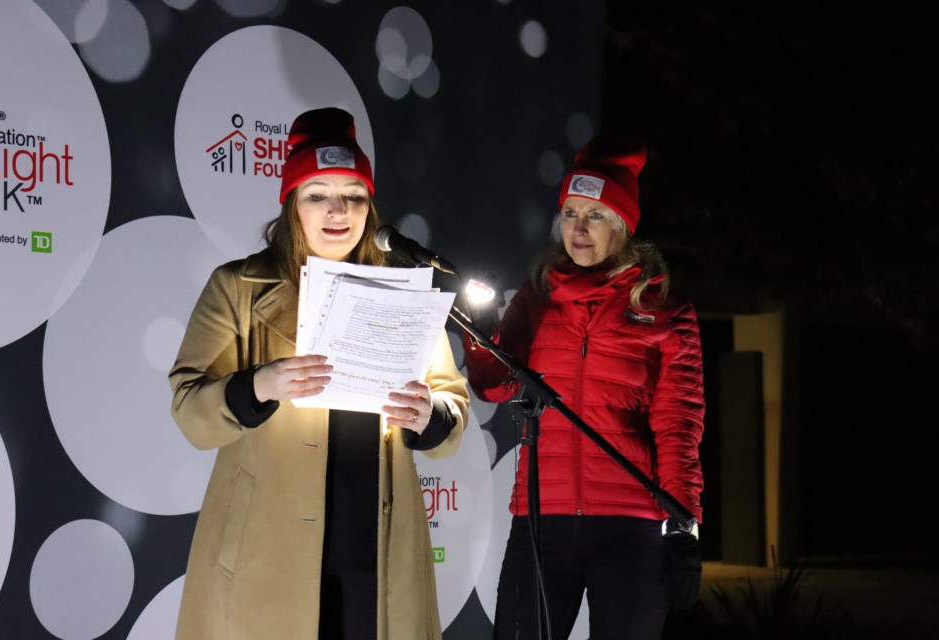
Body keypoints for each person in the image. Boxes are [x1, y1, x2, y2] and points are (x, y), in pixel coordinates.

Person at [168, 107, 470, 640]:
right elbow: (191, 413)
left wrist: (430, 414)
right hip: (268, 554)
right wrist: (261, 385)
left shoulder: (402, 291)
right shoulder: (238, 287)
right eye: (317, 194)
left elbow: (450, 409)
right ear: (292, 206)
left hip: (376, 550)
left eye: (354, 195)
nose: (338, 211)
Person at [462, 133, 704, 640]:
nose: (578, 228)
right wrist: (481, 334)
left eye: (594, 215)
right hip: (541, 519)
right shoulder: (538, 295)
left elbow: (678, 425)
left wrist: (684, 524)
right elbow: (493, 385)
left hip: (630, 523)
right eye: (570, 213)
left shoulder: (666, 313)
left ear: (622, 223)